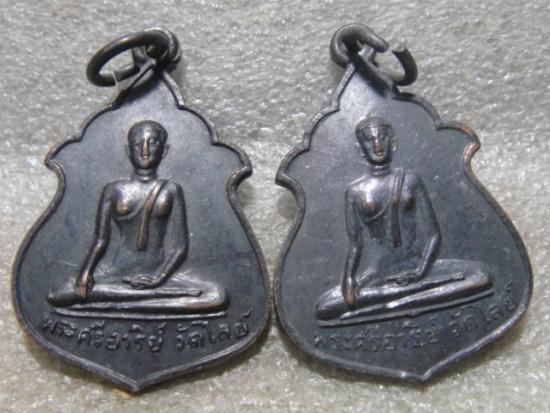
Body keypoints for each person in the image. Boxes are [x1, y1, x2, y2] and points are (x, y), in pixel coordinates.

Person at [315, 116, 491, 321]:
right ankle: (407, 300)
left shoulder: (410, 181)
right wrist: (349, 279)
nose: (377, 145)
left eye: (383, 138)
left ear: (393, 143)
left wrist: (420, 271)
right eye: (370, 140)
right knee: (325, 307)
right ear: (360, 148)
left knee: (481, 277)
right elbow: (355, 244)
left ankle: (394, 304)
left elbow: (434, 235)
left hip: (418, 267)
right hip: (379, 273)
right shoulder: (355, 192)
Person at [48, 120, 227, 314]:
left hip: (160, 274)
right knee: (59, 295)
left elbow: (180, 247)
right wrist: (85, 273)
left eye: (152, 143)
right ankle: (149, 300)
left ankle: (122, 301)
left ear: (164, 150)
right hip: (119, 273)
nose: (145, 151)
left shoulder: (172, 190)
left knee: (217, 295)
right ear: (128, 150)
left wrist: (158, 279)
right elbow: (100, 240)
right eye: (138, 143)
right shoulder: (114, 189)